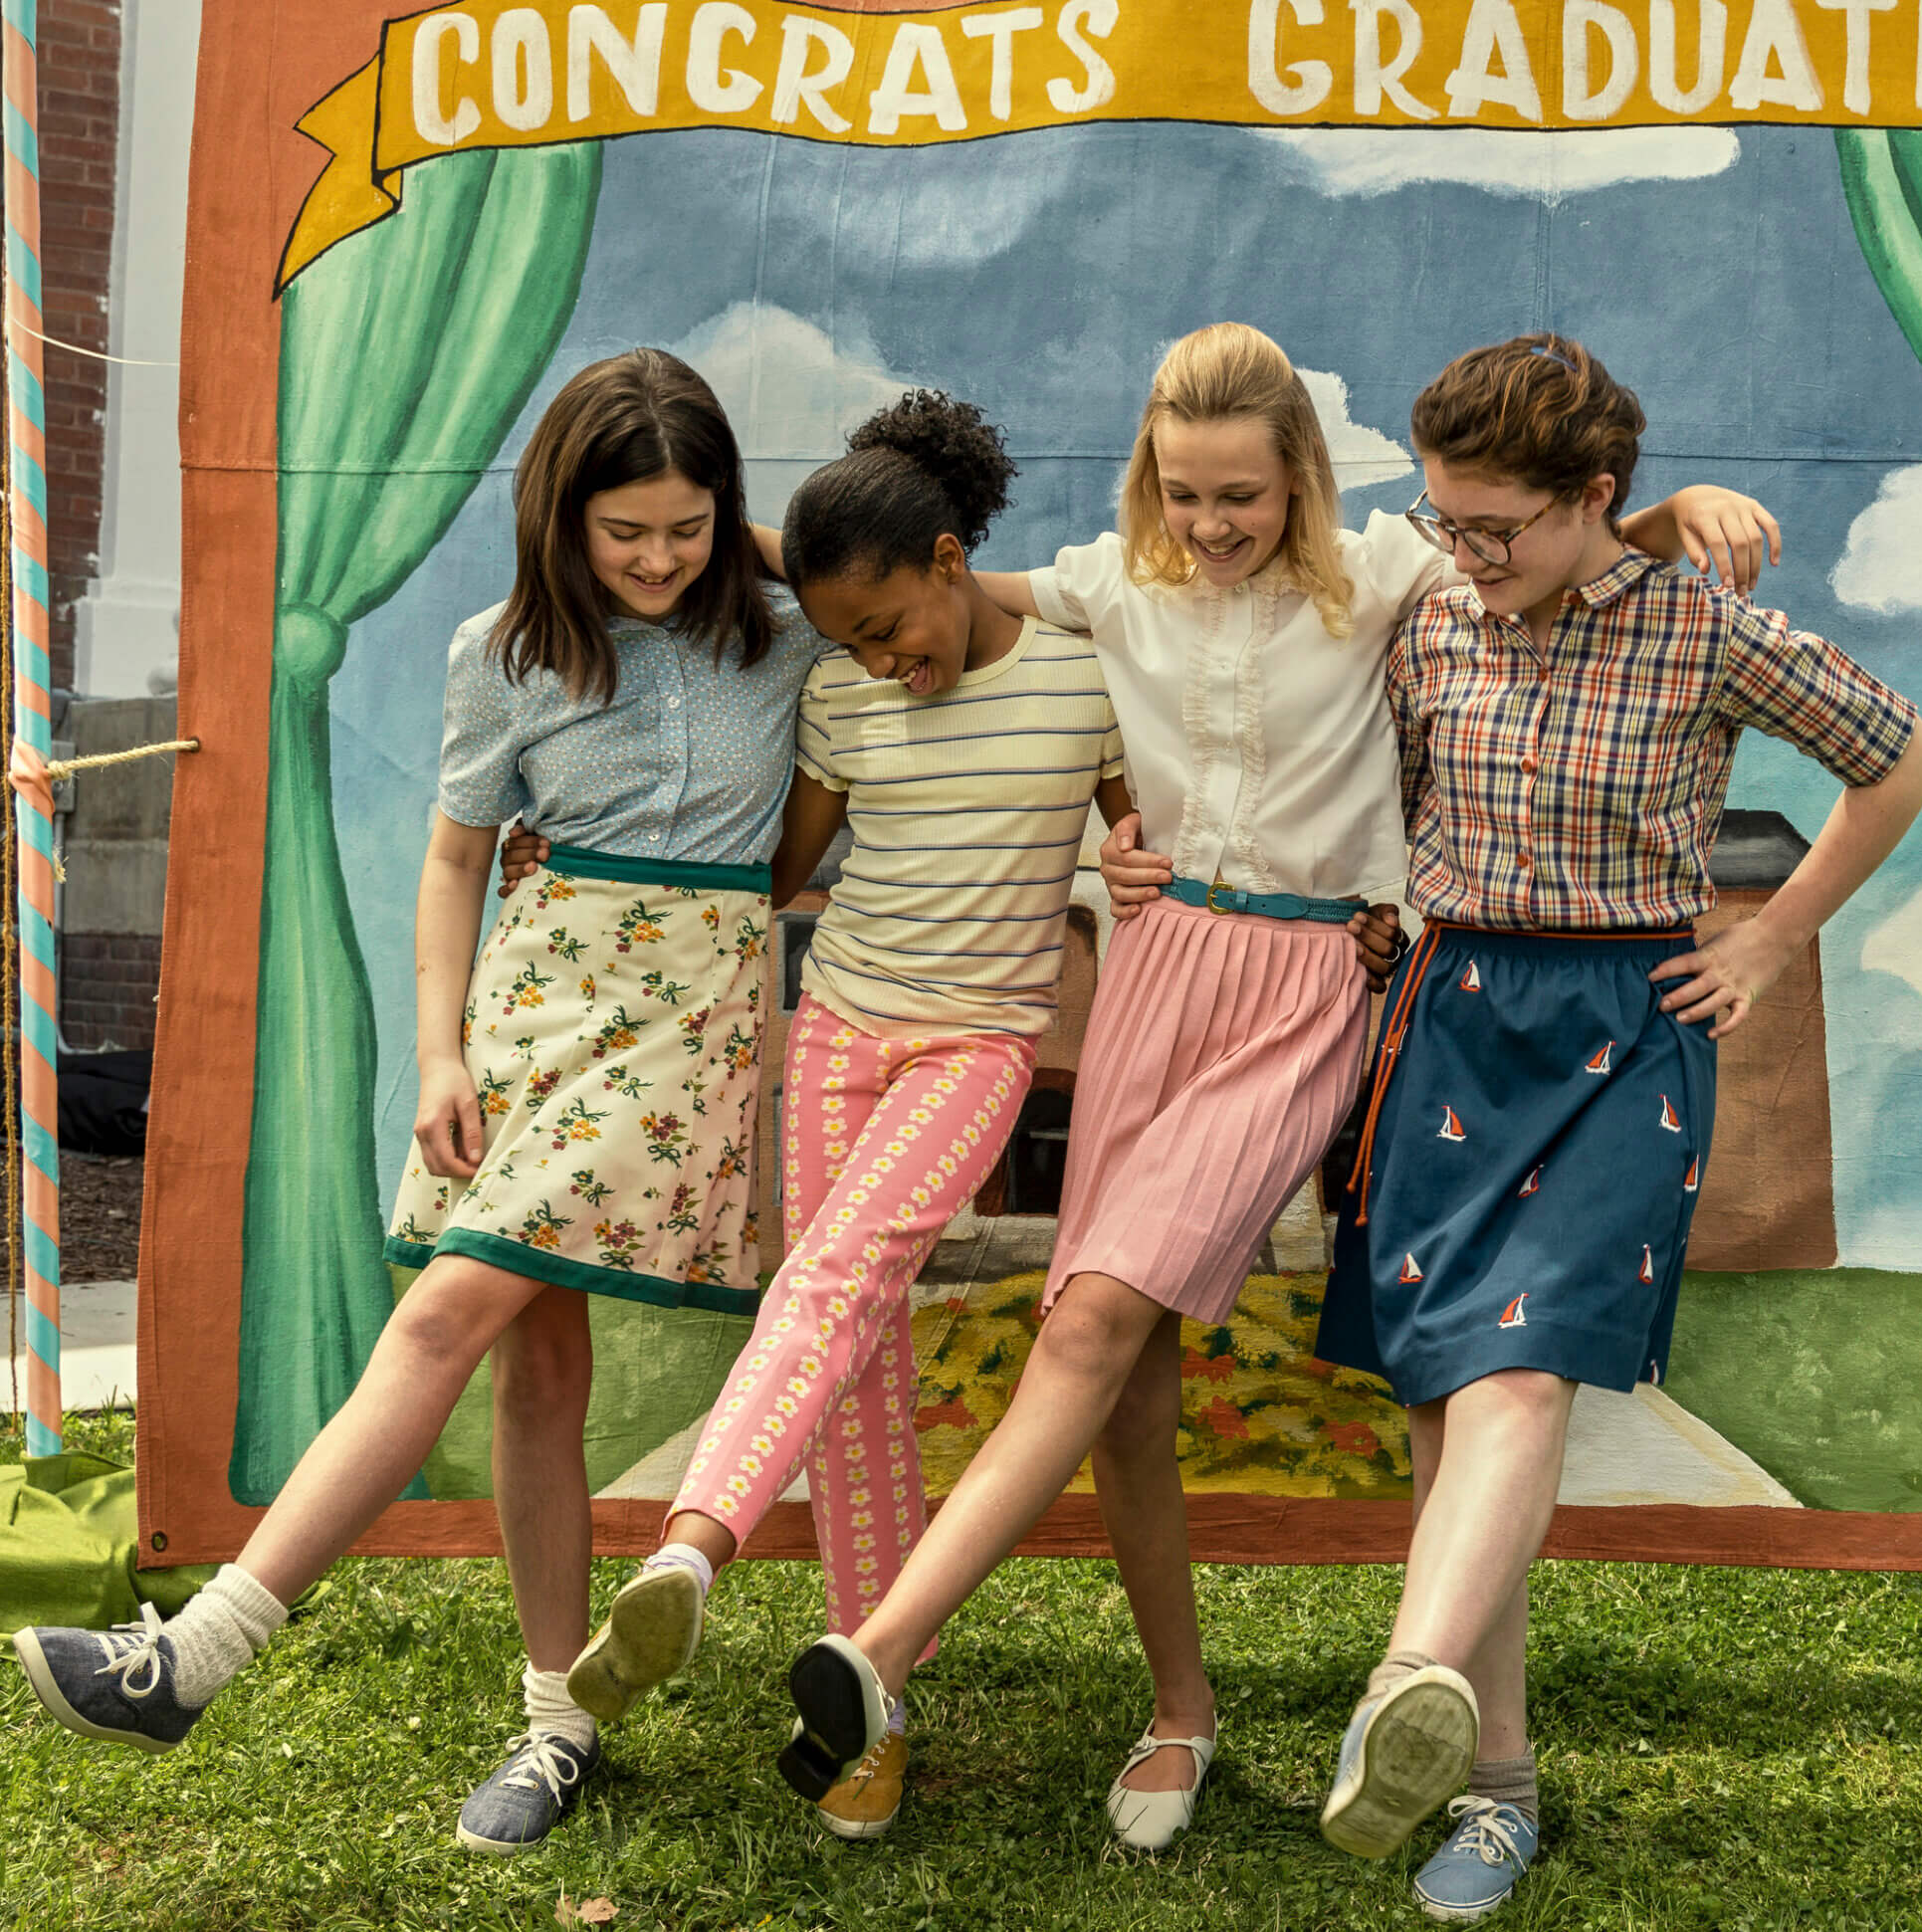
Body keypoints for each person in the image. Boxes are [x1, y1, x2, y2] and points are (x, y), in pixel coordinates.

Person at [763, 322, 1784, 1852]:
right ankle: (1179, 1710)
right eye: (1185, 494)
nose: (1214, 525)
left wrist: (1667, 508)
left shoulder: (1384, 576)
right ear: (1148, 482)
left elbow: (1554, 546)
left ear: (1300, 475)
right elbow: (937, 601)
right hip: (1158, 975)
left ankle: (884, 1653)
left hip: (1306, 990)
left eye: (1241, 494)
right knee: (1124, 1375)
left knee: (1096, 1309)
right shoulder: (1114, 585)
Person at [11, 349, 838, 1854]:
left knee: (446, 1317)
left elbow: (934, 609)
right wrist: (443, 1053)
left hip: (681, 1027)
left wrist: (762, 541)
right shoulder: (502, 650)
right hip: (529, 1011)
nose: (659, 559)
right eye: (623, 532)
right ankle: (557, 1726)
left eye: (689, 525)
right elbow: (458, 857)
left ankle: (196, 1654)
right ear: (558, 522)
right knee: (533, 1369)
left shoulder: (786, 634)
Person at [1311, 333, 1922, 1921]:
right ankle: (1495, 1787)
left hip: (1622, 1032)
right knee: (1453, 1418)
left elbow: (1901, 756)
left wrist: (1775, 931)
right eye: (1449, 518)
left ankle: (1404, 1682)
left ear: (1595, 497)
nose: (1467, 551)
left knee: (1524, 1377)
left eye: (1499, 524)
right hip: (1446, 1023)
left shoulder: (1701, 629)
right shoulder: (1431, 615)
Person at [530, 391, 1134, 1841]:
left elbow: (1153, 833)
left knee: (834, 1278)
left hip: (977, 1046)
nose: (879, 662)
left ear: (949, 559)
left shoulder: (1077, 679)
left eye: (891, 628)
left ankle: (692, 1545)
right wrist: (593, 873)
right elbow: (781, 874)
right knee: (851, 1363)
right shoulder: (843, 691)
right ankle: (872, 1710)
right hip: (844, 1030)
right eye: (848, 641)